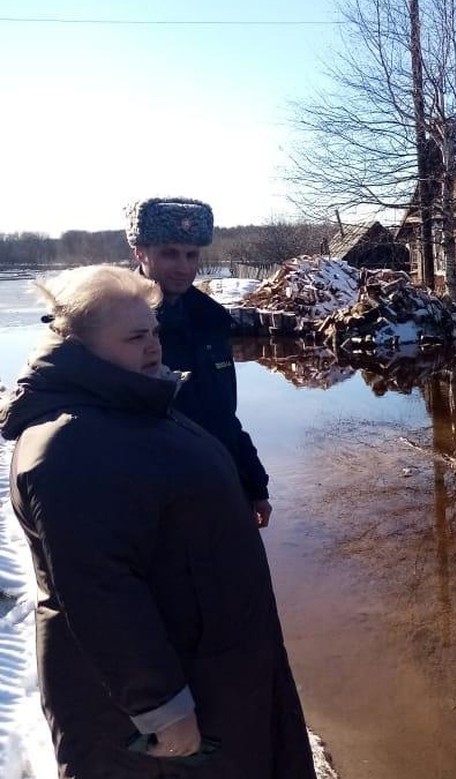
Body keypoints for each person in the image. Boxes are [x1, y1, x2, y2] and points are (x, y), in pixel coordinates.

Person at [0, 266, 316, 778]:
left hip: (209, 663)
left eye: (153, 332)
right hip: (161, 704)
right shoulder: (69, 446)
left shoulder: (137, 404)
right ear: (80, 344)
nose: (153, 347)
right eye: (134, 337)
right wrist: (163, 712)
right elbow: (100, 592)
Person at [126, 196, 272, 527]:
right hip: (158, 508)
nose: (183, 266)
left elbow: (222, 416)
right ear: (140, 252)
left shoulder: (210, 320)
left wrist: (253, 484)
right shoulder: (116, 326)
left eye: (192, 254)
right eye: (170, 253)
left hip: (218, 486)